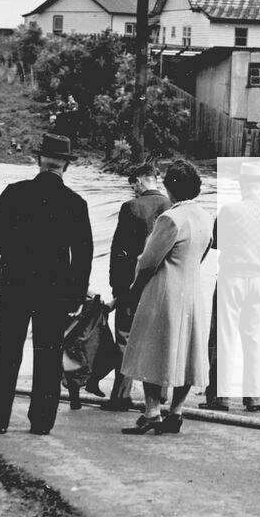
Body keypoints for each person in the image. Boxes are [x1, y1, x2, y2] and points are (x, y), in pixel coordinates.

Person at [0, 133, 93, 435]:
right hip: (55, 289)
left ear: (38, 161)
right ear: (65, 166)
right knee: (48, 356)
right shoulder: (75, 203)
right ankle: (42, 422)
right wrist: (76, 293)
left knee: (6, 353)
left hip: (15, 282)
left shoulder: (15, 192)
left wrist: (15, 253)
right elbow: (83, 255)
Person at [120, 160, 213, 435]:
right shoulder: (205, 217)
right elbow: (204, 254)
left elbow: (148, 261)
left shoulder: (170, 218)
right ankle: (177, 411)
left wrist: (135, 287)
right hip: (193, 288)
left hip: (164, 289)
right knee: (187, 352)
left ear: (171, 188)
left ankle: (152, 412)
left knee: (153, 349)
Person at [203, 160, 260, 414]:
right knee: (254, 340)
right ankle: (253, 398)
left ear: (241, 184)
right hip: (259, 279)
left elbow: (216, 243)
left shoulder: (229, 210)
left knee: (224, 337)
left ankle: (221, 397)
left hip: (232, 276)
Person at [102, 162, 172, 412]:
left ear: (140, 182)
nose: (132, 189)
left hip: (132, 285)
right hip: (164, 284)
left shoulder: (131, 208)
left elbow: (118, 253)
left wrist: (116, 288)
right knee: (159, 339)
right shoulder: (172, 206)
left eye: (133, 184)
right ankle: (161, 396)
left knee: (126, 339)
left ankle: (121, 396)